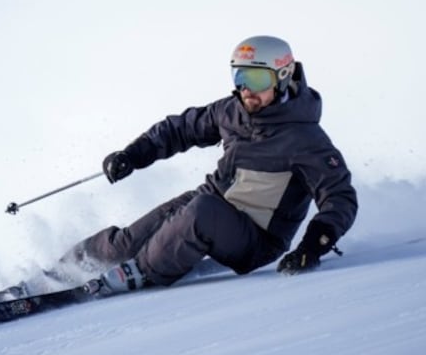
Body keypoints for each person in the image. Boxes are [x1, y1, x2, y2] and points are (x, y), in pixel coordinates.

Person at [63, 35, 358, 294]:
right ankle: (65, 269)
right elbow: (180, 129)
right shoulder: (233, 112)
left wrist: (312, 247)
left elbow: (340, 197)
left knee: (201, 211)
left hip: (256, 239)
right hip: (211, 203)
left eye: (257, 80)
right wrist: (132, 155)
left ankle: (140, 271)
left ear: (282, 76)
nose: (246, 90)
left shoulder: (305, 138)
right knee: (131, 238)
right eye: (239, 78)